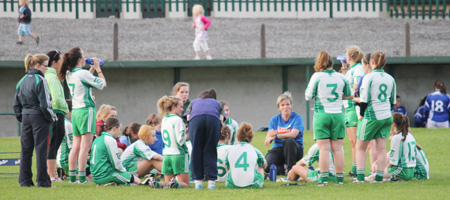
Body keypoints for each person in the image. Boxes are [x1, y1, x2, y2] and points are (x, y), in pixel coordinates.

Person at [59, 47, 106, 184]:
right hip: (86, 111)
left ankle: (73, 177)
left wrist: (90, 69)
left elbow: (84, 80)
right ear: (80, 59)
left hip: (76, 111)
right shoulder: (82, 74)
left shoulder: (70, 73)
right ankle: (82, 177)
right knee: (85, 147)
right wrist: (98, 69)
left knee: (76, 146)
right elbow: (102, 84)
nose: (86, 58)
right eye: (84, 56)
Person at [304, 51, 352, 186]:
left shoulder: (317, 76)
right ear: (331, 62)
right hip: (338, 114)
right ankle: (340, 180)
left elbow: (308, 96)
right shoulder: (341, 77)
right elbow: (350, 95)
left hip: (322, 115)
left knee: (324, 149)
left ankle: (324, 180)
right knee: (338, 149)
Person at [14, 54, 56, 187]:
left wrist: (22, 117)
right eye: (46, 66)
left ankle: (25, 181)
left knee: (26, 150)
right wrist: (51, 118)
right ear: (37, 65)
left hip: (26, 116)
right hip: (39, 116)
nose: (47, 69)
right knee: (41, 149)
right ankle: (43, 182)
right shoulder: (40, 80)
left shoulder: (22, 80)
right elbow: (45, 104)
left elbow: (16, 105)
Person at [355, 51, 396, 183]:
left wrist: (361, 115)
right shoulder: (390, 78)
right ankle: (379, 177)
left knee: (360, 147)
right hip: (387, 116)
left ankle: (360, 178)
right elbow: (392, 101)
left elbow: (364, 99)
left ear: (372, 62)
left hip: (372, 116)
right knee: (382, 148)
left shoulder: (369, 77)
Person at [186, 89, 223, 189]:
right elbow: (222, 118)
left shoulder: (193, 102)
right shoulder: (217, 103)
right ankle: (211, 183)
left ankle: (198, 182)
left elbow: (188, 117)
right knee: (210, 150)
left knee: (196, 149)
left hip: (196, 120)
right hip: (213, 120)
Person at [366, 113, 417, 181]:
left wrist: (384, 170)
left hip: (402, 170)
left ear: (393, 124)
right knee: (382, 176)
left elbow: (393, 161)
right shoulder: (409, 135)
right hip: (411, 170)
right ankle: (393, 179)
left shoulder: (397, 138)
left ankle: (394, 179)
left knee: (374, 177)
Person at [90, 118, 140, 186]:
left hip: (95, 176)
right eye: (119, 129)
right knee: (137, 181)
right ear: (114, 128)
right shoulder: (110, 140)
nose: (119, 132)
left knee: (127, 181)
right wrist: (126, 173)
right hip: (105, 175)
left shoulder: (98, 138)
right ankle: (106, 183)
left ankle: (109, 184)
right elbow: (117, 164)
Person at [44, 50, 69, 182]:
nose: (62, 63)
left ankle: (51, 173)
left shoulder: (49, 76)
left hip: (54, 112)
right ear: (54, 62)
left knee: (53, 143)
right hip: (56, 111)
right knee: (54, 143)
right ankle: (51, 174)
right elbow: (57, 99)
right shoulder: (52, 77)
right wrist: (65, 109)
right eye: (60, 60)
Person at [264, 92, 304, 175]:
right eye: (282, 105)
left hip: (294, 149)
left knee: (289, 140)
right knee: (268, 167)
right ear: (279, 108)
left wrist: (276, 135)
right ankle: (284, 169)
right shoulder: (274, 120)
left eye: (288, 104)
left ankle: (290, 171)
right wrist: (269, 138)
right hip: (278, 148)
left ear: (291, 106)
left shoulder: (297, 118)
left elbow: (293, 135)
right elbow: (267, 141)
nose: (285, 107)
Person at [339, 46, 364, 177]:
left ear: (349, 57)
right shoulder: (351, 69)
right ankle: (354, 169)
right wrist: (344, 69)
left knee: (356, 141)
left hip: (353, 107)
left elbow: (356, 88)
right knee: (352, 141)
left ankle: (356, 169)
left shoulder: (358, 69)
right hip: (347, 107)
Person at [157, 96, 190, 188]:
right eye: (181, 106)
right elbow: (180, 140)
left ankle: (157, 183)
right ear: (173, 106)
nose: (182, 109)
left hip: (167, 155)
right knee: (185, 185)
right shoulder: (178, 120)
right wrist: (190, 135)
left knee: (168, 184)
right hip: (179, 155)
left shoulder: (165, 119)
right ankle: (174, 184)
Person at [225, 122, 266, 188]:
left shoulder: (231, 150)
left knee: (231, 169)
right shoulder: (255, 150)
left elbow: (227, 167)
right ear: (251, 139)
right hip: (253, 185)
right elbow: (264, 164)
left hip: (231, 185)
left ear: (237, 138)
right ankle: (260, 182)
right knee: (260, 166)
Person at [57, 100, 73, 174]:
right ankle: (64, 172)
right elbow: (72, 146)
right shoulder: (67, 124)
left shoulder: (62, 121)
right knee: (89, 176)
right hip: (65, 160)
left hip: (61, 158)